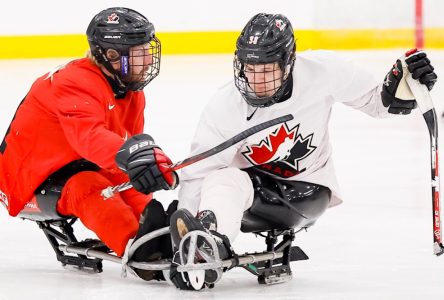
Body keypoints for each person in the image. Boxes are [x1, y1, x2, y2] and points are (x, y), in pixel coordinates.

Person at [168, 13, 437, 289]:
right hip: (253, 194)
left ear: (288, 64)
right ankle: (208, 244)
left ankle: (207, 242)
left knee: (227, 180)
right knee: (222, 179)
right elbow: (197, 174)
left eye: (267, 69)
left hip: (309, 190)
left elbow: (379, 103)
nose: (257, 81)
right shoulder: (225, 106)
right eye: (250, 68)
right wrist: (183, 240)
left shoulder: (324, 72)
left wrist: (402, 89)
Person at [0, 7, 178, 281]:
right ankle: (137, 246)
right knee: (91, 188)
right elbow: (90, 138)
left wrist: (143, 171)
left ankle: (154, 233)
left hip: (78, 163)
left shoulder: (130, 92)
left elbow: (121, 158)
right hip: (30, 181)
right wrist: (133, 156)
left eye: (147, 50)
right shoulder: (75, 81)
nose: (147, 60)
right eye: (139, 53)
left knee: (126, 179)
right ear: (110, 56)